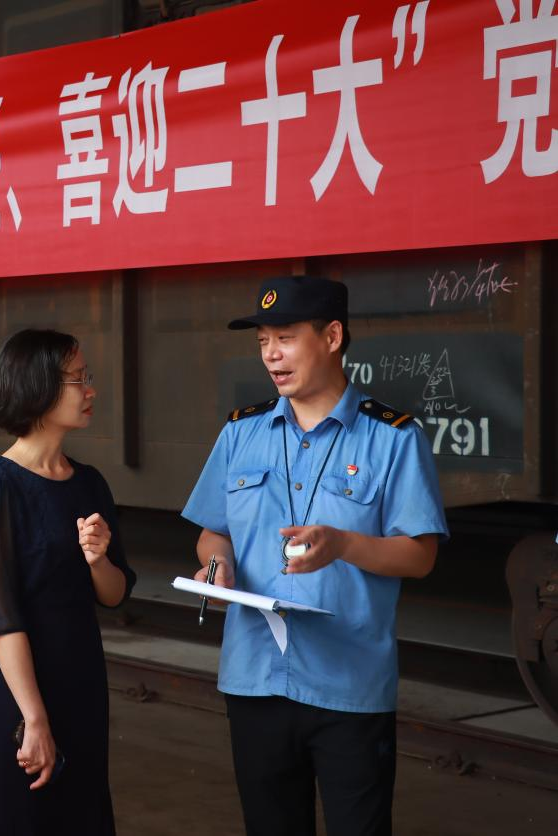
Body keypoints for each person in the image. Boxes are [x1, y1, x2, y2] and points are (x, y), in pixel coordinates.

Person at [181, 275, 448, 836]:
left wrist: (343, 544)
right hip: (254, 679)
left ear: (331, 337)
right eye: (262, 341)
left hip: (348, 686)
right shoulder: (241, 433)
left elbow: (419, 556)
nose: (270, 354)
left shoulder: (393, 438)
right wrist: (217, 566)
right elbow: (213, 533)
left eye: (285, 338)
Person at [0, 328, 136, 836]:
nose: (91, 390)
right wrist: (35, 719)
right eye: (78, 379)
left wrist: (97, 560)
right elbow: (1, 621)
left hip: (81, 685)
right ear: (38, 387)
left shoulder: (90, 483)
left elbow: (115, 593)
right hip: (19, 695)